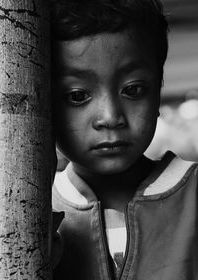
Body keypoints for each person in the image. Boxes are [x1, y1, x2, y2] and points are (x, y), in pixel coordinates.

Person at [51, 0, 198, 279]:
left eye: (132, 89)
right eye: (77, 96)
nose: (110, 116)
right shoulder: (34, 210)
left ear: (158, 89)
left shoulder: (193, 196)